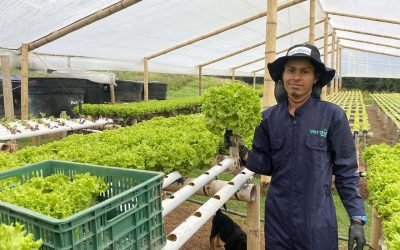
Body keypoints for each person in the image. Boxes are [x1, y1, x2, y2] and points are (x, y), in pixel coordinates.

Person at [225, 44, 367, 250]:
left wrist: (357, 218)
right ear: (282, 75)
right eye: (291, 70)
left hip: (317, 219)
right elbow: (267, 164)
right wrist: (244, 153)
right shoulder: (267, 118)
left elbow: (346, 170)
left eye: (304, 71)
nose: (296, 77)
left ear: (316, 77)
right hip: (278, 219)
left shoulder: (332, 116)